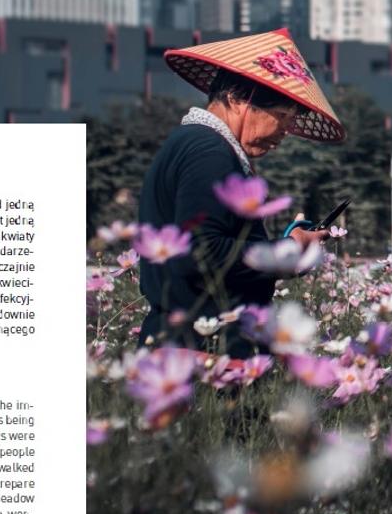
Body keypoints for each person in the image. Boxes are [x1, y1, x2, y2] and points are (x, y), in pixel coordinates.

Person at [137, 28, 345, 347]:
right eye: (281, 117)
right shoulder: (210, 152)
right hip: (201, 348)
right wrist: (287, 249)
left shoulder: (193, 142)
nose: (284, 132)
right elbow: (201, 252)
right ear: (236, 99)